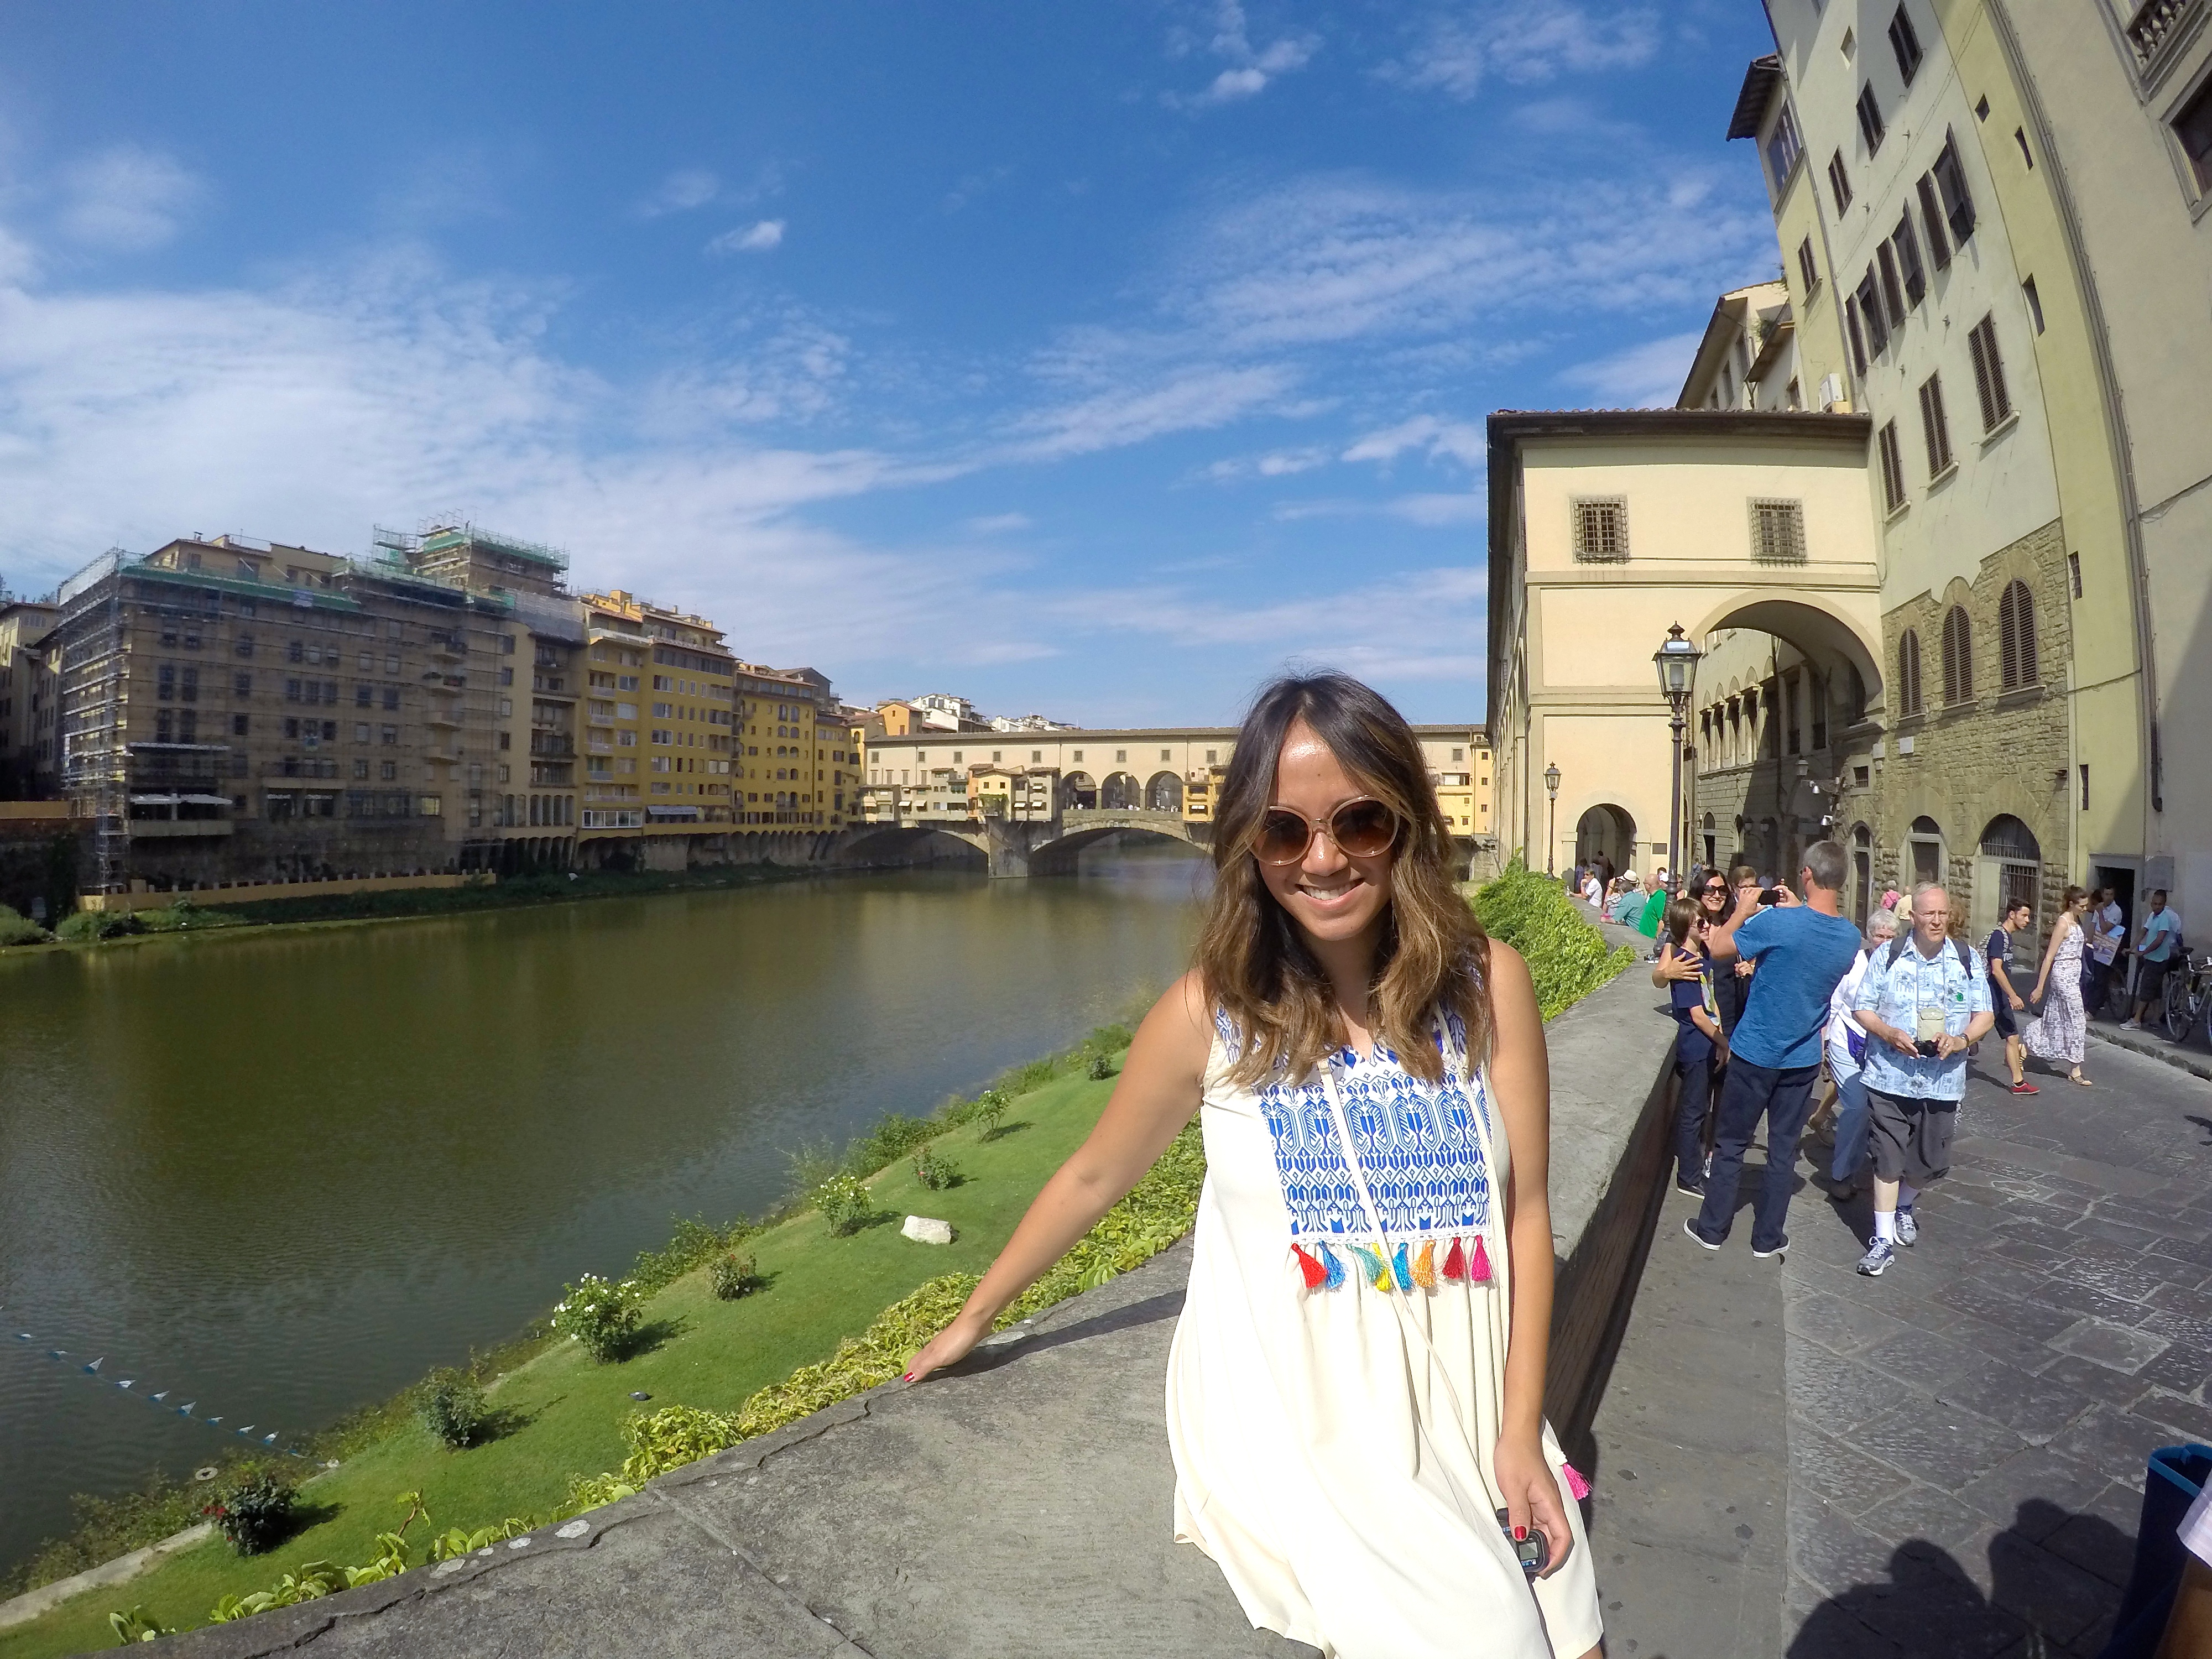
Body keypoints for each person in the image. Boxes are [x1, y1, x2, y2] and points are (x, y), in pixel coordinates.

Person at [902, 674, 1603, 1659]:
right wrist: (976, 1317)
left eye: (1359, 821)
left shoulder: (1488, 985)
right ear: (1248, 844)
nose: (1323, 859)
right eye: (1284, 832)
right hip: (1319, 1422)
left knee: (1580, 1637)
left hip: (1482, 1392)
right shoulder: (1208, 1014)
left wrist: (1522, 1429)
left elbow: (1525, 1213)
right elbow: (1095, 1176)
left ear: (1407, 822)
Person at [1683, 841, 1864, 1259]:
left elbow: (1719, 948)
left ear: (1806, 874)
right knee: (1783, 1152)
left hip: (1755, 1052)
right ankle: (1767, 1238)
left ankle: (1712, 1229)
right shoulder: (1850, 938)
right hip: (1802, 1059)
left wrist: (1745, 909)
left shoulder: (1779, 924)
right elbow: (1813, 941)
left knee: (1731, 1144)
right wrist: (1801, 907)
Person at [1849, 886, 1996, 1276]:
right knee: (1887, 1159)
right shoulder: (1888, 955)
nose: (1936, 921)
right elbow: (1862, 1007)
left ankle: (1905, 1204)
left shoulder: (1967, 959)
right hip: (1890, 1076)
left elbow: (1985, 1014)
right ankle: (1881, 1241)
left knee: (1931, 1162)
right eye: (1929, 914)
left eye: (1942, 914)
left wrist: (1962, 1039)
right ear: (1912, 916)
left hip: (1942, 1081)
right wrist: (1888, 1033)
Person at [1813, 909, 1898, 1200]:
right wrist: (1823, 1043)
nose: (1884, 941)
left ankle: (1861, 1169)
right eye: (1879, 935)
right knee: (1857, 1106)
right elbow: (1834, 1003)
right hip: (1846, 1039)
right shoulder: (1853, 964)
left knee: (1875, 1109)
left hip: (1881, 1045)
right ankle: (1840, 1175)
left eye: (1890, 936)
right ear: (1870, 936)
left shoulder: (1900, 965)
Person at [1658, 898, 1724, 1195]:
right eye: (1701, 922)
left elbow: (1712, 1000)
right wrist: (1723, 1042)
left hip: (1708, 1042)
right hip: (1696, 1046)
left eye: (1707, 919)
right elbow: (1697, 1015)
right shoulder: (1685, 963)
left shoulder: (1703, 955)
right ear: (1686, 927)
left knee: (1700, 1110)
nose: (1707, 925)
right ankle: (1688, 1176)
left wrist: (1720, 1033)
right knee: (1693, 1112)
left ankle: (1694, 1169)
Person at [2023, 885, 2094, 1087]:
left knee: (2054, 1017)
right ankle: (2075, 1069)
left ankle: (2025, 1047)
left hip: (2074, 974)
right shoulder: (2063, 923)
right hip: (2062, 975)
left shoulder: (2077, 921)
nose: (2085, 909)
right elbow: (2050, 956)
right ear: (2071, 904)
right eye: (2081, 906)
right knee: (2078, 1019)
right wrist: (2040, 987)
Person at [1985, 899, 2039, 1095]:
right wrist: (2013, 995)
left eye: (2028, 916)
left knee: (2012, 1036)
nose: (2027, 920)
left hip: (1999, 996)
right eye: (2024, 915)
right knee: (1970, 1037)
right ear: (2012, 914)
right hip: (1990, 995)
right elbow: (1996, 970)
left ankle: (2018, 1083)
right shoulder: (1999, 936)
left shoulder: (2008, 937)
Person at [2123, 890, 2181, 1032]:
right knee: (2156, 990)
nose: (2156, 907)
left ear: (2164, 904)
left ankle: (2136, 1020)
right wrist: (2132, 947)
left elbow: (2159, 940)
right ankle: (2155, 1019)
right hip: (2152, 958)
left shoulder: (2164, 918)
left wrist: (2144, 952)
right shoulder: (2152, 916)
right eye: (2155, 904)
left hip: (2158, 959)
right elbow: (2143, 932)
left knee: (2146, 989)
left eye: (2160, 904)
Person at [2084, 886, 2125, 1020]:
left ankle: (2092, 1010)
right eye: (2106, 894)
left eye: (2111, 894)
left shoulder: (2116, 911)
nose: (2108, 897)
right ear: (2102, 894)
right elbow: (2093, 925)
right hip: (2096, 948)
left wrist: (2101, 913)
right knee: (2092, 978)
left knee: (2100, 980)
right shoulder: (2099, 908)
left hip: (2108, 951)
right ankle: (2089, 1004)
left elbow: (2104, 929)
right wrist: (2088, 942)